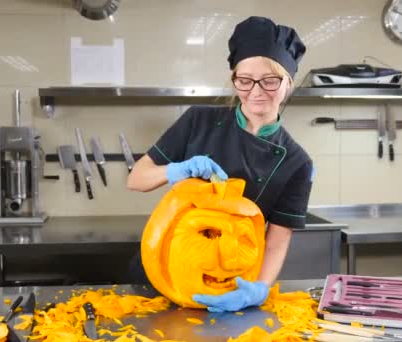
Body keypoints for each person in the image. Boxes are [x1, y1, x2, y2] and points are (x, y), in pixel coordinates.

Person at [127, 16, 313, 312]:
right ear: (234, 79)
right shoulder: (197, 120)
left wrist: (258, 289)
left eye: (270, 80)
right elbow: (136, 178)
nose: (256, 90)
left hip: (227, 280)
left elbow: (279, 238)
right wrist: (176, 170)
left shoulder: (297, 162)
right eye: (244, 80)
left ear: (288, 83)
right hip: (160, 272)